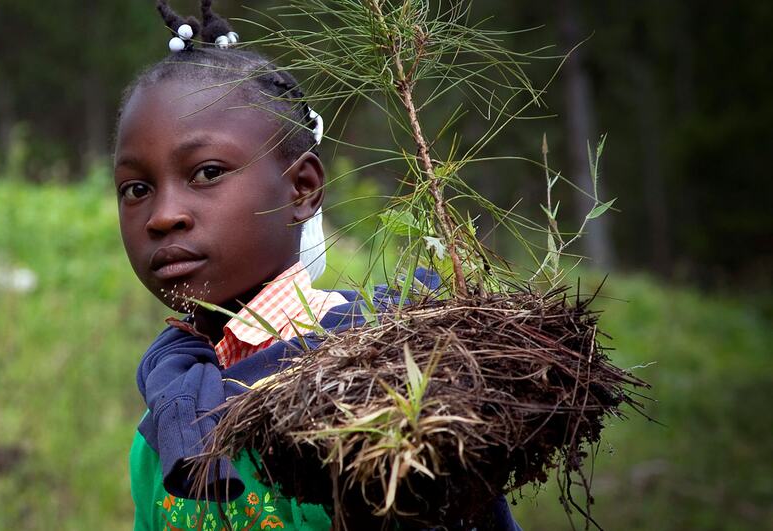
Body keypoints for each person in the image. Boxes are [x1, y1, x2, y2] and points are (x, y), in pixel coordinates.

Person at [115, 2, 521, 529]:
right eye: (137, 189)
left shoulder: (386, 379)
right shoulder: (165, 424)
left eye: (208, 172)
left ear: (302, 188)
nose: (163, 216)